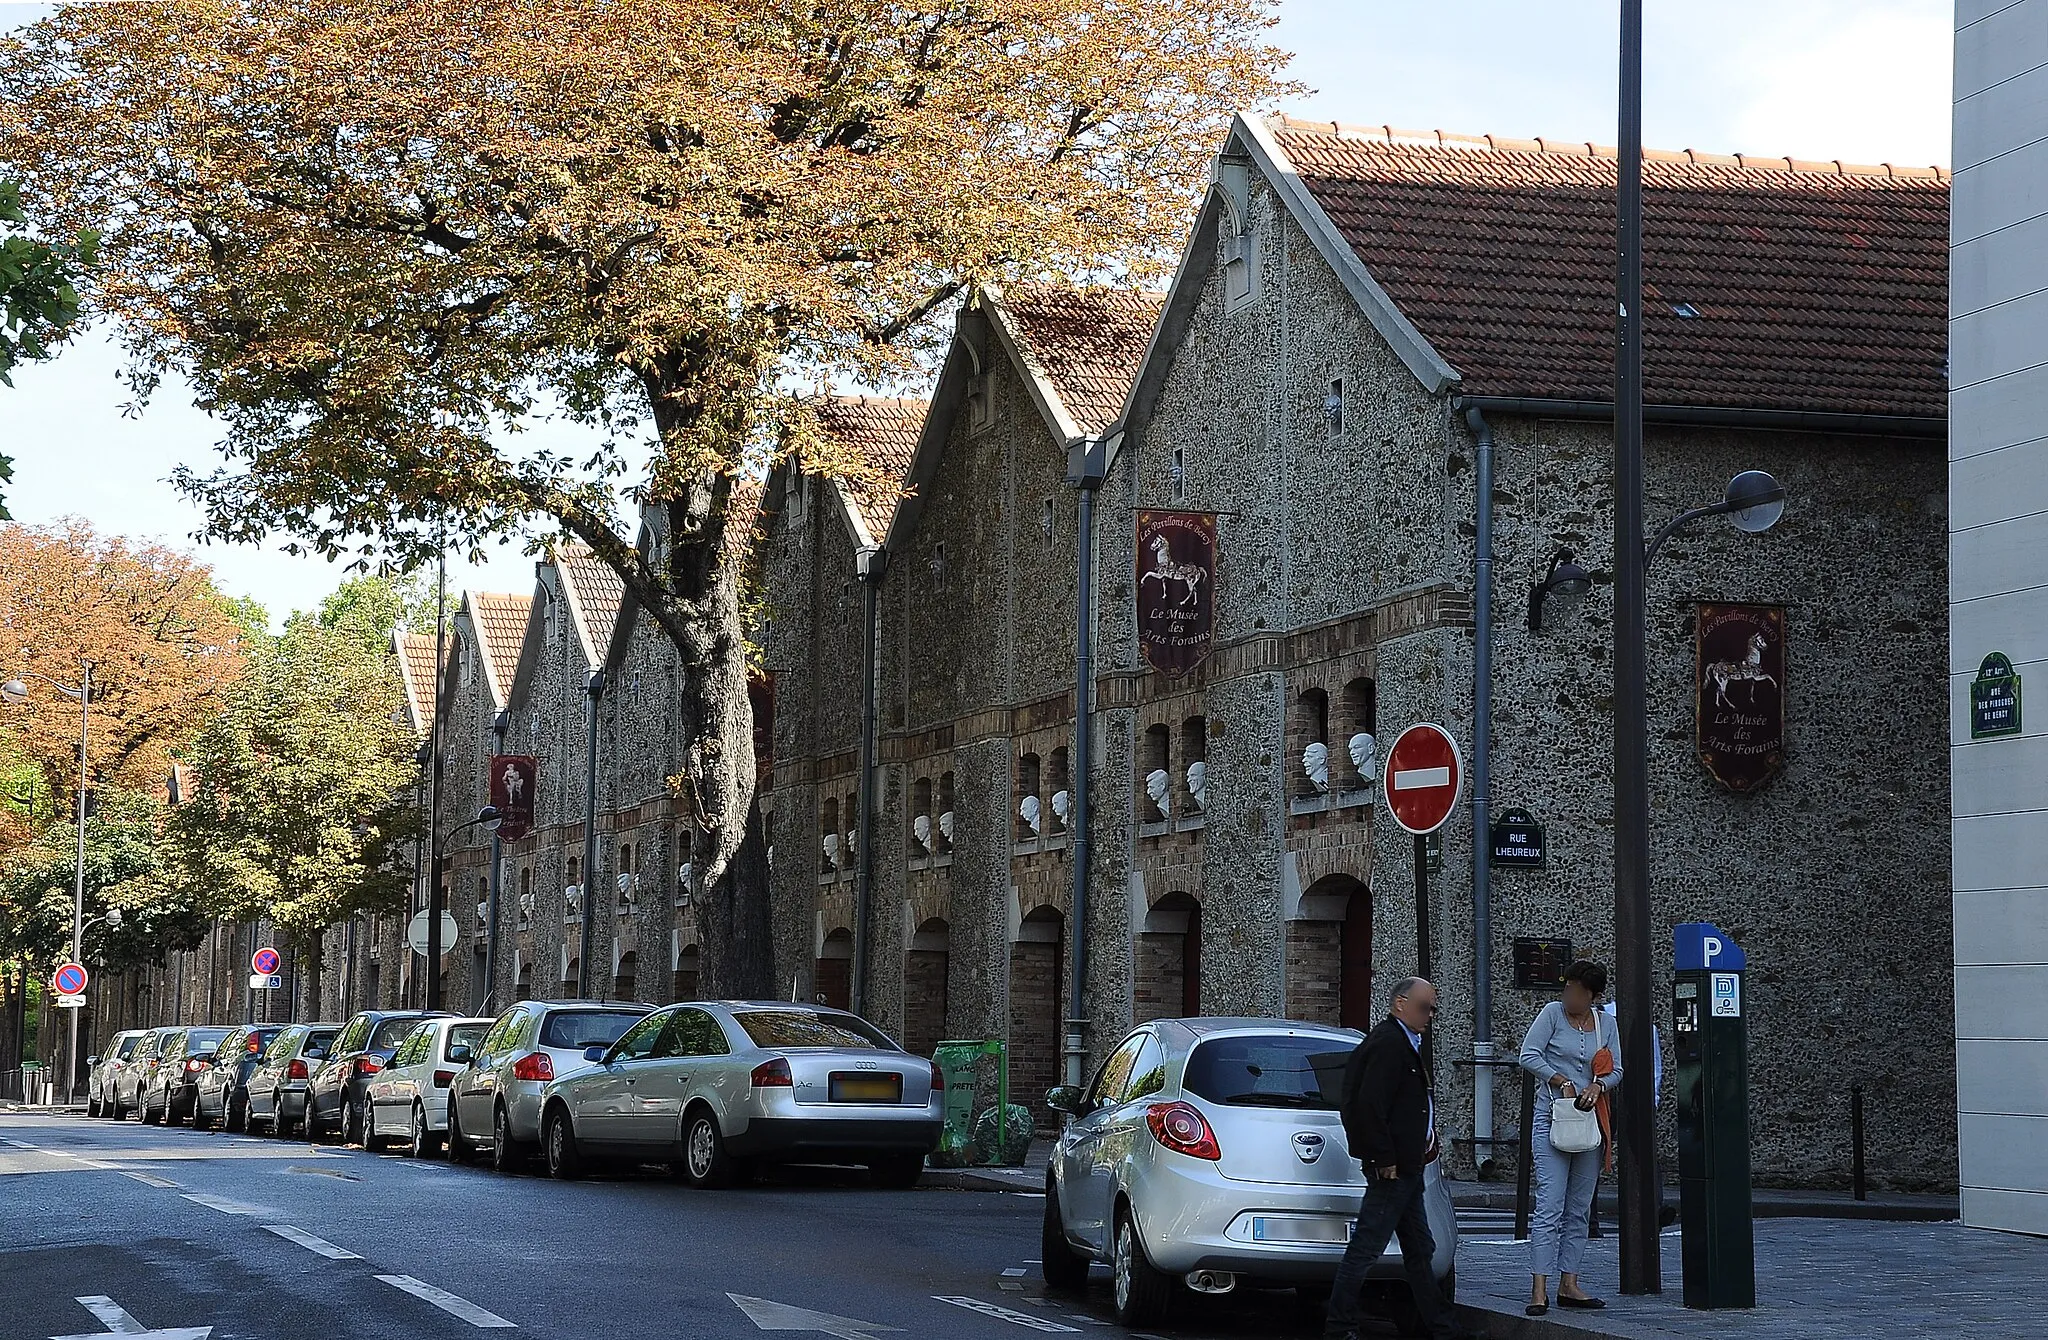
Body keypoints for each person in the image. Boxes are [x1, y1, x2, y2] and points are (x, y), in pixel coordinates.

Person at [1326, 977, 1471, 1340]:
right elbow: (1366, 1104)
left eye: (1434, 1008)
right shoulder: (1389, 1043)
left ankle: (1443, 1328)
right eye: (1425, 1007)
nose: (1430, 1015)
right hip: (1392, 1169)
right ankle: (1339, 1326)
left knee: (1420, 1250)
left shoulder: (1404, 1042)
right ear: (1400, 1004)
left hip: (1408, 1165)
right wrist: (1382, 1157)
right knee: (1366, 1248)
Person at [1519, 959, 1623, 1315]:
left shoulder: (1605, 1024)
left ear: (1593, 996)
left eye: (1578, 992)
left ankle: (1570, 1282)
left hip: (1588, 1122)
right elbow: (1528, 1055)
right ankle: (1538, 1288)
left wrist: (1598, 1084)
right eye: (1567, 989)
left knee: (1579, 1208)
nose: (1570, 996)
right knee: (1549, 1204)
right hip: (1552, 1118)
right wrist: (1559, 1080)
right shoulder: (1551, 1014)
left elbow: (1617, 1070)